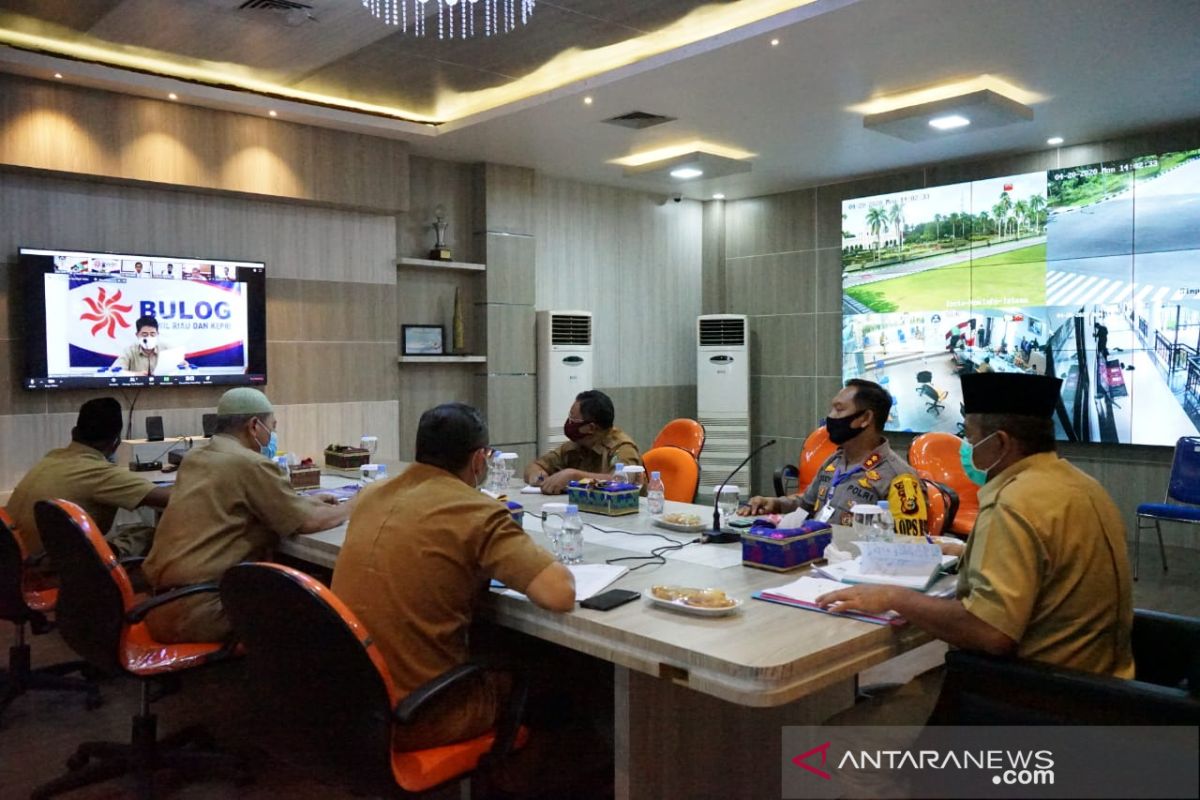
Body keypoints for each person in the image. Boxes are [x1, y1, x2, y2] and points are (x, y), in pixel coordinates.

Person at [817, 372, 1133, 683]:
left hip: (1039, 699)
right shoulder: (1082, 485)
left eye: (968, 438)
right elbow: (1052, 563)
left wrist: (892, 597)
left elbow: (990, 633)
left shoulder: (1013, 504)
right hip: (1104, 682)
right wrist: (968, 550)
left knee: (838, 733)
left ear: (999, 442)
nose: (965, 449)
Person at [333, 403, 575, 751]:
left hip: (352, 704)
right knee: (563, 676)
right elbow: (559, 594)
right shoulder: (477, 511)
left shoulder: (371, 494)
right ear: (479, 460)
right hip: (422, 713)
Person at [143, 388, 350, 643]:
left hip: (161, 603)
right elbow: (307, 522)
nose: (272, 435)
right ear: (254, 425)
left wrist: (303, 501)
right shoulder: (250, 463)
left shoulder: (196, 457)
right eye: (271, 427)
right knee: (321, 605)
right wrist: (357, 504)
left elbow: (237, 502)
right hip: (205, 610)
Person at [742, 379, 928, 533]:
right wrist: (774, 503)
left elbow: (910, 543)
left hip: (855, 567)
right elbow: (806, 504)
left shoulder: (899, 477)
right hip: (815, 555)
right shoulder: (834, 461)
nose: (830, 417)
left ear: (865, 418)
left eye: (839, 410)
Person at [6, 397, 169, 559]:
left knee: (136, 533)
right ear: (116, 442)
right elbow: (172, 499)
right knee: (155, 534)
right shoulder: (99, 473)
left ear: (74, 433)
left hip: (20, 565)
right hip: (57, 570)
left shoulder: (50, 459)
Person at [524, 389, 643, 495]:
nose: (568, 423)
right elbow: (536, 466)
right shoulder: (576, 445)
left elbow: (622, 482)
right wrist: (538, 476)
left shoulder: (623, 448)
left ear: (591, 428)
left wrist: (574, 476)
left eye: (572, 419)